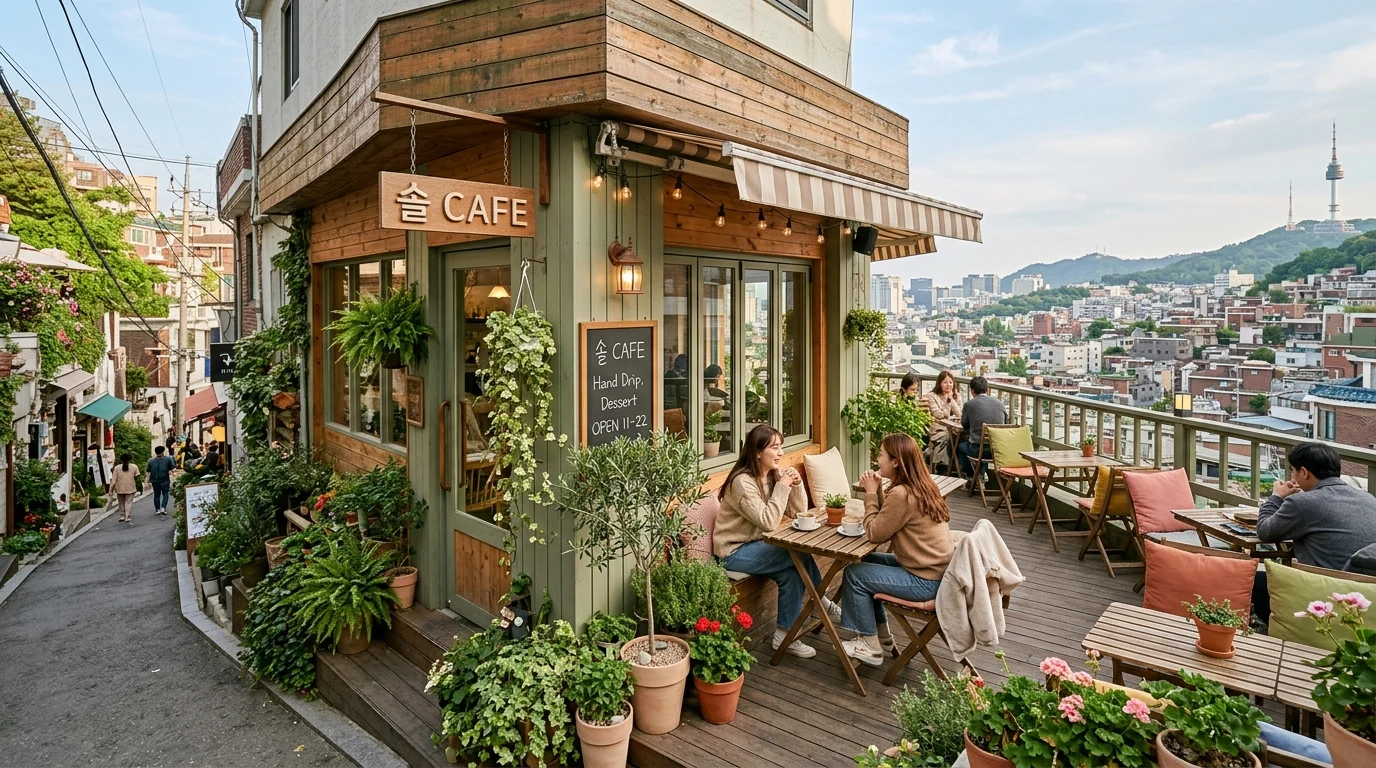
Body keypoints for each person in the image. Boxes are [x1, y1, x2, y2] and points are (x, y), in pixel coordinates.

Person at [715, 424, 841, 658]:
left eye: (781, 446)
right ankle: (821, 599)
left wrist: (795, 484)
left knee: (792, 574)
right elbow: (768, 521)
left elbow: (798, 511)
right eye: (775, 447)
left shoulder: (771, 475)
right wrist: (782, 486)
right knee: (794, 551)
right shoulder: (742, 482)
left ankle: (784, 637)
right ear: (757, 453)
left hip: (758, 546)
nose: (781, 452)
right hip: (733, 553)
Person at [840, 433, 954, 667]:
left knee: (855, 574)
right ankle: (882, 637)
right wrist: (880, 490)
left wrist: (870, 492)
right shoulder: (921, 485)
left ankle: (869, 645)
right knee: (866, 561)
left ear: (896, 461)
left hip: (925, 581)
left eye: (881, 455)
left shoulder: (903, 494)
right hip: (936, 572)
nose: (877, 459)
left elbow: (874, 532)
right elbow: (889, 517)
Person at [1252, 441, 1376, 623]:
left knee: (1253, 580)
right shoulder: (1369, 499)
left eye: (1293, 470)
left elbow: (1265, 531)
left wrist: (1276, 497)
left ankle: (1287, 629)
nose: (1292, 475)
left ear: (1304, 472)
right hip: (1366, 593)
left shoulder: (1303, 503)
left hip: (1326, 592)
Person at [957, 376, 1006, 483]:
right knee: (981, 445)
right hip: (998, 450)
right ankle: (981, 474)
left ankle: (972, 475)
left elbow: (964, 425)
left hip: (978, 450)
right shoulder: (1000, 403)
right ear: (987, 390)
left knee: (961, 447)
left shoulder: (969, 404)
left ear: (972, 391)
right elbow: (1005, 424)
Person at [923, 371, 963, 472]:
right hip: (937, 427)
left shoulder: (952, 396)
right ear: (939, 383)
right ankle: (942, 465)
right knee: (948, 436)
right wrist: (948, 403)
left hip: (951, 426)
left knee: (961, 436)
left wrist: (954, 399)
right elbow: (939, 414)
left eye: (950, 382)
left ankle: (955, 467)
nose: (948, 385)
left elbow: (959, 414)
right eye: (945, 382)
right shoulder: (931, 396)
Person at [147, 446, 176, 516]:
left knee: (156, 495)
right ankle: (163, 507)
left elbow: (148, 471)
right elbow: (172, 467)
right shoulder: (168, 459)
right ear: (163, 452)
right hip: (165, 479)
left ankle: (157, 509)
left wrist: (147, 480)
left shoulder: (151, 461)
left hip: (154, 480)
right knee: (165, 493)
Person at [111, 453, 140, 524]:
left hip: (119, 488)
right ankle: (127, 516)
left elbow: (113, 480)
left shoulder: (117, 468)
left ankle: (122, 516)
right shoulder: (134, 467)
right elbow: (137, 476)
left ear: (121, 459)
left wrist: (110, 490)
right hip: (131, 487)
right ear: (130, 459)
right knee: (128, 502)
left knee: (121, 502)